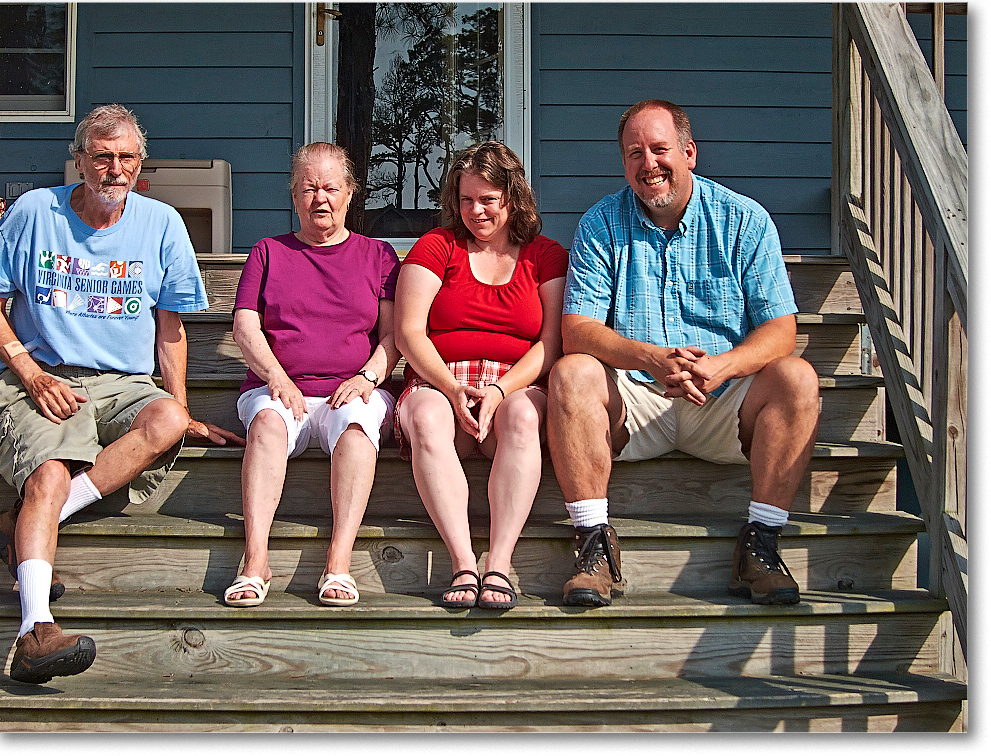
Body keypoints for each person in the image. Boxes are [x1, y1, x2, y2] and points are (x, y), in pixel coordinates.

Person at [0, 103, 244, 684]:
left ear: (140, 164)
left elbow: (171, 326)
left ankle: (24, 524)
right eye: (101, 157)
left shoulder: (161, 223)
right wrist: (27, 371)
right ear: (79, 161)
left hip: (124, 384)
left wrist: (181, 405)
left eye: (125, 158)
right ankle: (35, 630)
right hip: (47, 374)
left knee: (164, 422)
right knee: (49, 473)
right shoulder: (35, 213)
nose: (113, 169)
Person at [548, 99, 820, 608]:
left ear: (689, 153)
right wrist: (650, 357)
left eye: (659, 149)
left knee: (798, 377)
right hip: (638, 404)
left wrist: (723, 365)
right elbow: (577, 329)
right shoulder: (601, 223)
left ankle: (761, 545)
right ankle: (593, 546)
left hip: (724, 400)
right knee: (571, 373)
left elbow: (781, 330)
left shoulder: (744, 220)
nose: (648, 164)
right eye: (634, 153)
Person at [223, 142, 400, 609]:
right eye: (308, 188)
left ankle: (338, 562)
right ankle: (255, 560)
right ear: (294, 195)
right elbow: (245, 325)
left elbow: (393, 336)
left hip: (351, 387)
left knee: (360, 429)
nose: (320, 198)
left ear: (350, 194)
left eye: (330, 188)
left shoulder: (378, 256)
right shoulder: (268, 252)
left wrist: (368, 377)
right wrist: (277, 378)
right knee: (266, 422)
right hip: (281, 388)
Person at [394, 142, 567, 611]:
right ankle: (463, 561)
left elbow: (550, 344)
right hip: (439, 380)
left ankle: (499, 563)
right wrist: (451, 388)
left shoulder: (544, 255)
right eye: (466, 199)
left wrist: (498, 389)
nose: (476, 211)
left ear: (512, 197)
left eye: (488, 198)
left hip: (514, 385)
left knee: (524, 418)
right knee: (427, 416)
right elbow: (409, 332)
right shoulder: (438, 246)